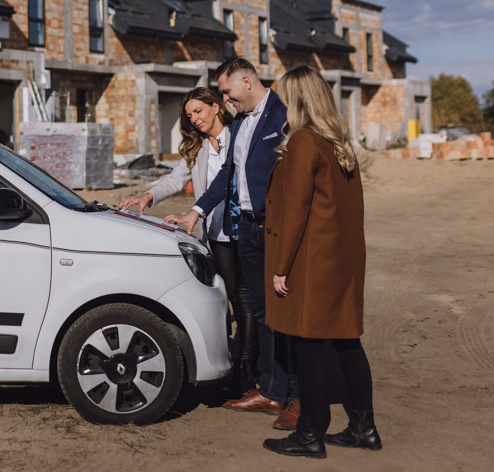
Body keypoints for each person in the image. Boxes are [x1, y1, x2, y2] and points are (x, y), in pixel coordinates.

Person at [165, 57, 300, 429]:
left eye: (226, 91)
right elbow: (227, 174)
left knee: (287, 312)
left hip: (276, 229)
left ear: (245, 80)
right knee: (261, 314)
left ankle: (299, 397)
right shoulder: (240, 123)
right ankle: (271, 390)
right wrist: (195, 212)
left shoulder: (284, 116)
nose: (224, 99)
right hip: (248, 233)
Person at [261, 66, 381, 458]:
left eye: (283, 95)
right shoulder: (339, 141)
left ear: (297, 99)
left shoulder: (304, 141)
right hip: (342, 259)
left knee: (309, 346)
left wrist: (281, 266)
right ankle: (364, 428)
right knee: (347, 343)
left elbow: (294, 210)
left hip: (312, 260)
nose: (279, 102)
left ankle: (310, 434)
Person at [119, 87, 255, 393]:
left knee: (248, 303)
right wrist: (149, 195)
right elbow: (175, 179)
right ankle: (238, 368)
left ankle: (248, 372)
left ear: (216, 107)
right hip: (217, 235)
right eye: (190, 115)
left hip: (246, 230)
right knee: (230, 300)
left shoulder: (241, 135)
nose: (195, 119)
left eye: (199, 111)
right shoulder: (197, 146)